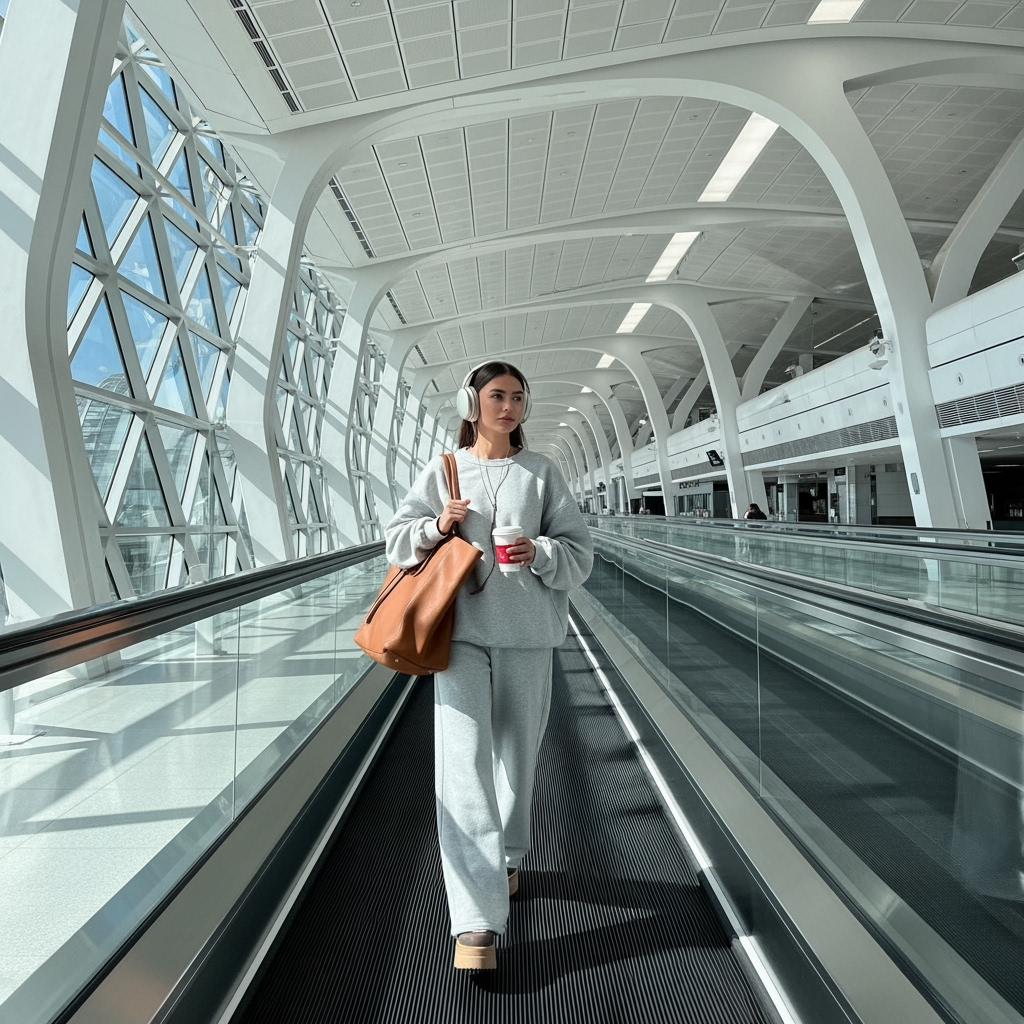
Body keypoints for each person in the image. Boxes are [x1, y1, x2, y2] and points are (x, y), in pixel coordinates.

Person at [384, 361, 593, 971]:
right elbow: (395, 539)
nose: (508, 406)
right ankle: (474, 921)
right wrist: (435, 525)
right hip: (460, 638)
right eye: (497, 395)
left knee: (517, 758)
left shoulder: (542, 473)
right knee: (463, 766)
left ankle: (510, 857)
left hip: (529, 636)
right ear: (471, 402)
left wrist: (541, 551)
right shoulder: (444, 469)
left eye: (518, 397)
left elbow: (580, 557)